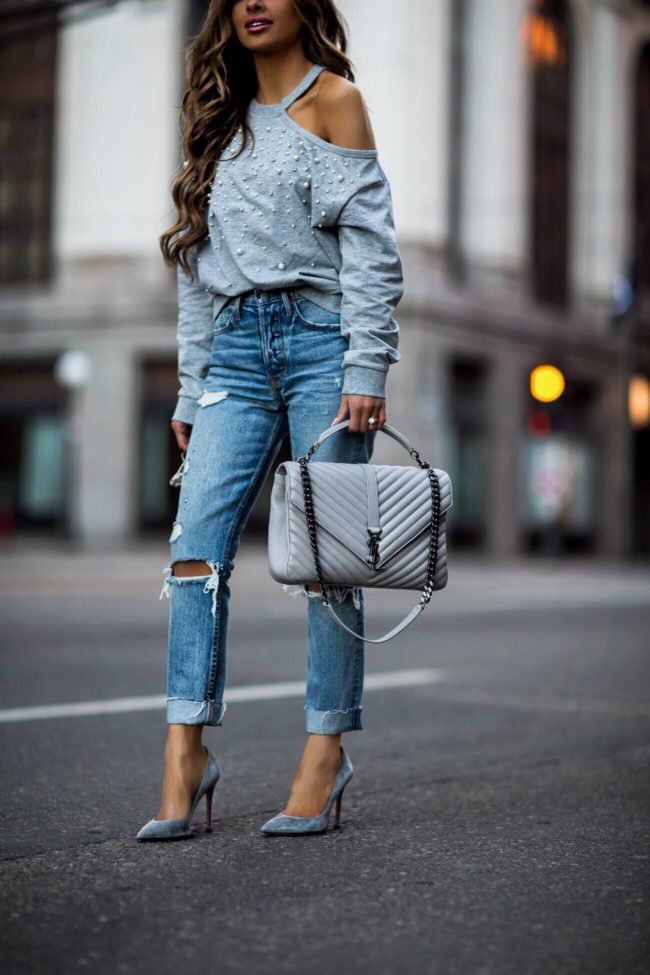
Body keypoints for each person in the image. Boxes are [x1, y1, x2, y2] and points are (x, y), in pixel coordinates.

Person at [136, 0, 404, 840]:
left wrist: (367, 363)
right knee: (194, 551)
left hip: (324, 344)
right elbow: (194, 268)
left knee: (328, 560)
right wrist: (190, 388)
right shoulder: (216, 118)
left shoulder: (334, 101)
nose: (253, 1)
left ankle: (323, 756)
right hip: (235, 353)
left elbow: (370, 242)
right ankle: (185, 754)